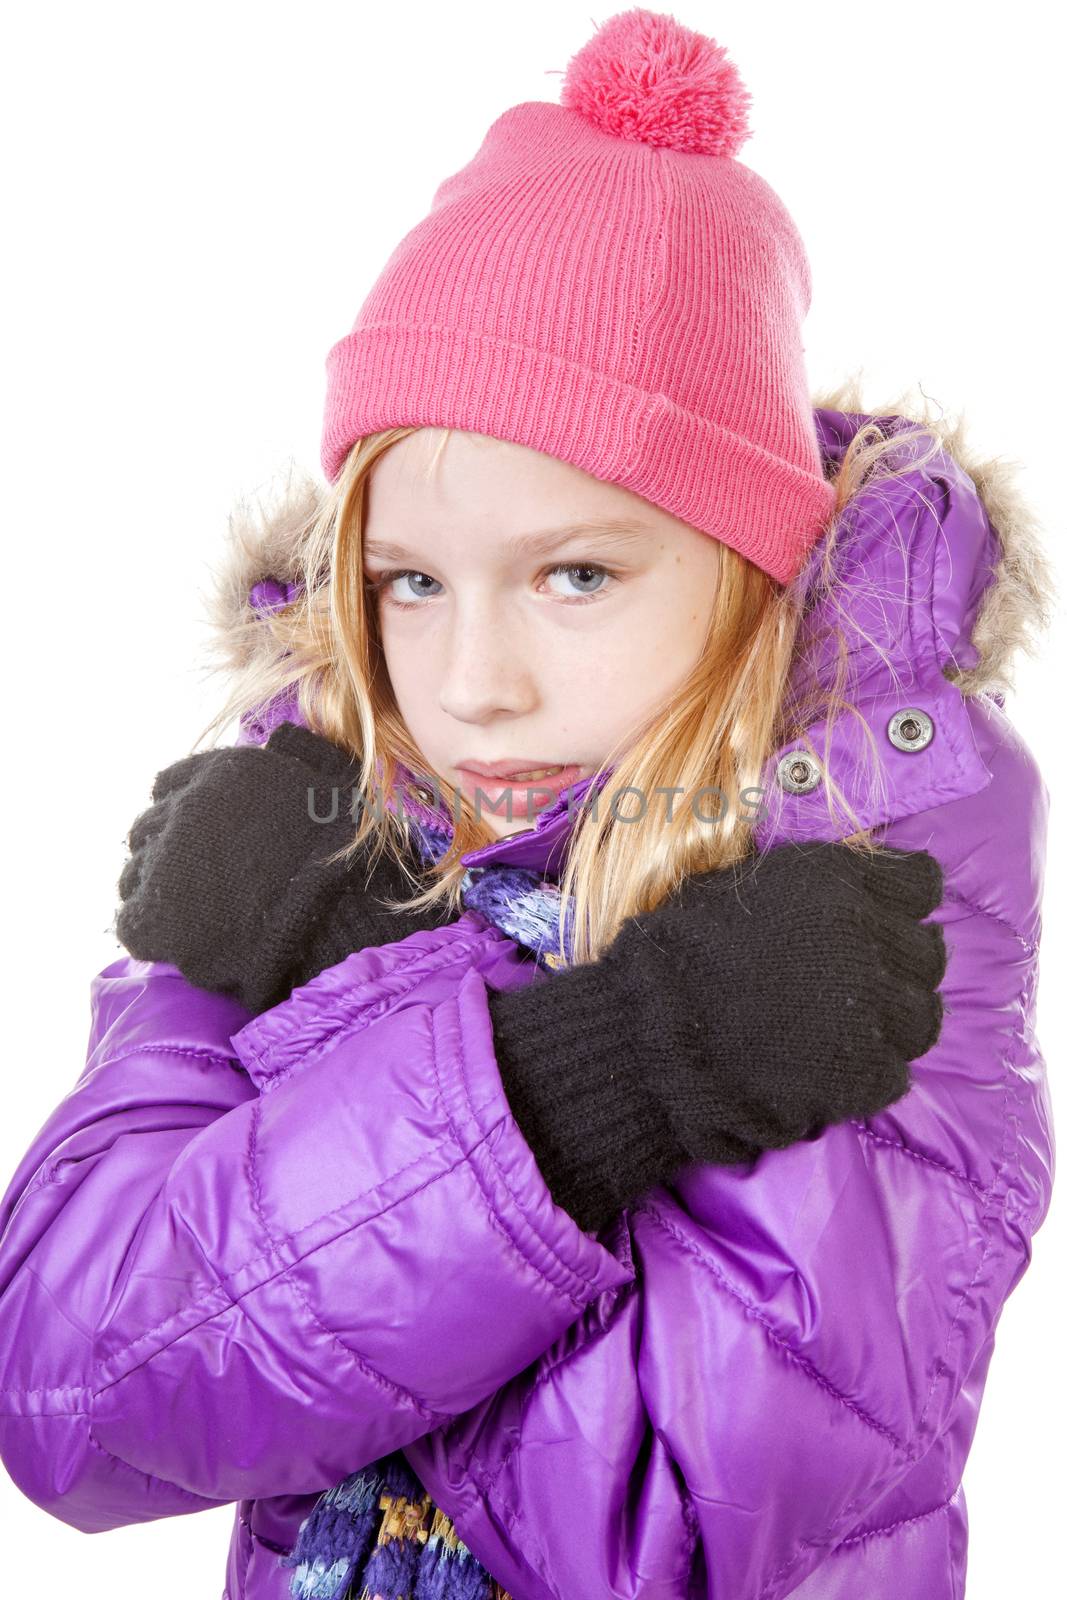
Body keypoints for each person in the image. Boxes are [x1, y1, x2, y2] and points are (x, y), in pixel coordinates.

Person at [0, 10, 1054, 1600]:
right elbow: (72, 1400)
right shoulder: (314, 819)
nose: (472, 680)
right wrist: (443, 964)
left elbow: (666, 1533)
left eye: (576, 573)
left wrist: (442, 1013)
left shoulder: (876, 877)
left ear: (752, 570)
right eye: (408, 582)